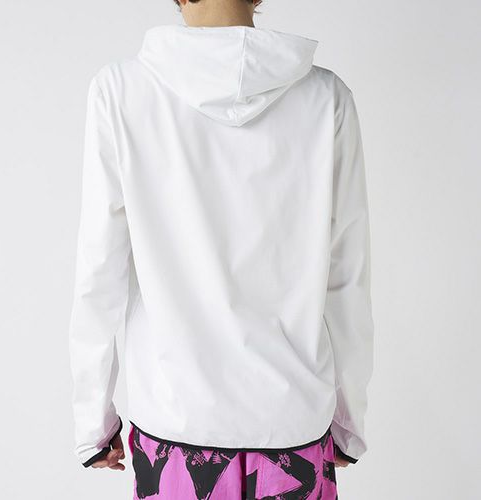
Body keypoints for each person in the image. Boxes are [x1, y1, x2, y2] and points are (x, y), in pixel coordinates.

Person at [68, 0, 375, 497]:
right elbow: (348, 276)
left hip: (175, 424)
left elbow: (99, 271)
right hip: (293, 422)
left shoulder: (120, 91)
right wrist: (349, 421)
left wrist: (93, 423)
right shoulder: (326, 98)